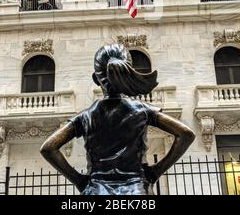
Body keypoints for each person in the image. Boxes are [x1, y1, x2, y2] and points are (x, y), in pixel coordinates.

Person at [40, 44, 195, 195]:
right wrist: (155, 172)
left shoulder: (86, 116)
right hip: (136, 189)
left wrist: (79, 181)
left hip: (96, 190)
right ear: (128, 73)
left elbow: (48, 148)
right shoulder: (142, 110)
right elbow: (186, 134)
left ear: (96, 79)